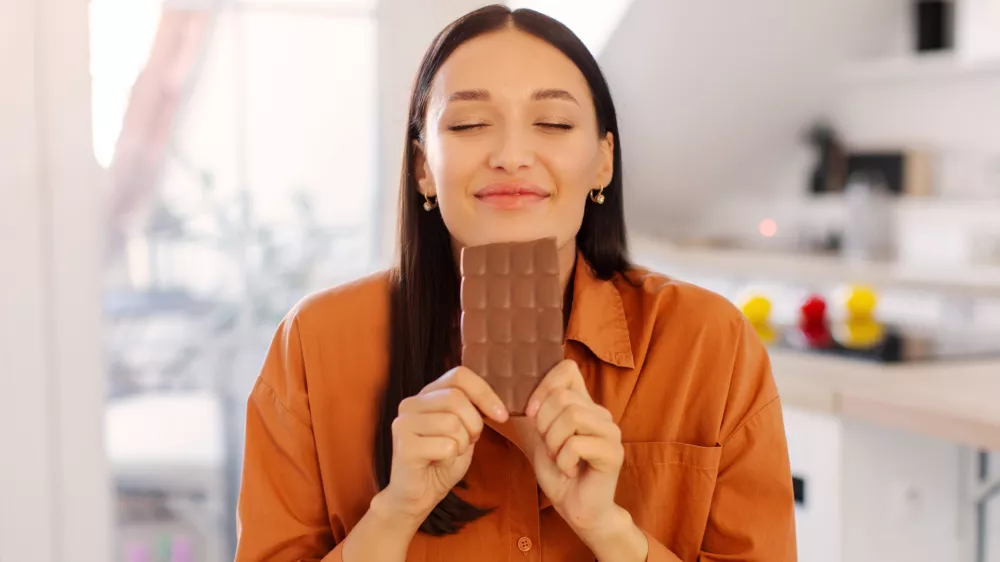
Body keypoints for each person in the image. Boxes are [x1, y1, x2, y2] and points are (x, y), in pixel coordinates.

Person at [235, 5, 796, 561]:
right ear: (422, 167)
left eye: (552, 123)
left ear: (603, 162)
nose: (511, 156)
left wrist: (609, 530)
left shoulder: (708, 343)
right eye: (469, 124)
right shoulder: (314, 345)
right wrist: (393, 515)